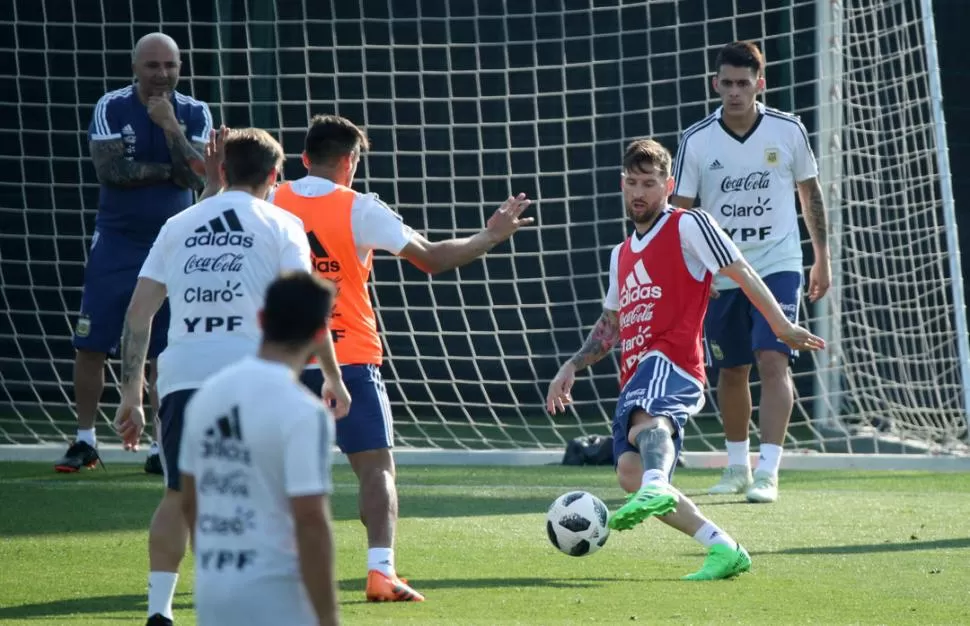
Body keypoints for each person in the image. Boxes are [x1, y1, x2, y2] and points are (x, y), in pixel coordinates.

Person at [270, 114, 533, 602]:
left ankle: (273, 574)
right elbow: (431, 258)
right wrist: (491, 235)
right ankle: (380, 571)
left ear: (304, 159)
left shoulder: (269, 200)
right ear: (350, 161)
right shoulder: (361, 208)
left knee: (275, 473)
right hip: (347, 358)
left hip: (278, 361)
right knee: (376, 471)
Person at [546, 139, 824, 580]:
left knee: (646, 428)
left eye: (650, 184)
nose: (640, 192)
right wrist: (571, 366)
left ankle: (660, 483)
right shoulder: (621, 254)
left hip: (672, 359)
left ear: (668, 186)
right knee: (629, 474)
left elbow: (741, 271)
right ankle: (723, 547)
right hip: (636, 370)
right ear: (622, 185)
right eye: (632, 183)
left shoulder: (689, 224)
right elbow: (609, 326)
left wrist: (781, 326)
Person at [112, 127, 350, 626]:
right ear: (274, 175)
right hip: (255, 377)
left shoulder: (178, 225)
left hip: (184, 377)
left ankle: (160, 609)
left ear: (221, 170)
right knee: (282, 494)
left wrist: (131, 393)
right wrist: (333, 376)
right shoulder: (282, 223)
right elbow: (308, 309)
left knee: (180, 493)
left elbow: (139, 313)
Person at [670, 41, 831, 503]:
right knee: (732, 368)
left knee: (772, 358)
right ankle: (736, 467)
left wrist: (822, 256)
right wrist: (693, 273)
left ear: (760, 84)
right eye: (727, 83)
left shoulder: (788, 130)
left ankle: (768, 472)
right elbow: (680, 215)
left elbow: (810, 195)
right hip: (722, 272)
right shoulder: (696, 140)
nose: (735, 92)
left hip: (778, 264)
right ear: (714, 84)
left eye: (745, 83)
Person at [57, 32, 213, 475]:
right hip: (117, 242)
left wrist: (169, 126)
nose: (162, 74)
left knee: (165, 349)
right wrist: (171, 169)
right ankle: (85, 439)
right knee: (91, 344)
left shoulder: (194, 112)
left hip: (172, 244)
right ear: (135, 67)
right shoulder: (111, 106)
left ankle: (160, 445)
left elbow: (198, 179)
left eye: (169, 66)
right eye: (152, 66)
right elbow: (112, 172)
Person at [179, 271, 341, 626]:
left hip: (213, 591)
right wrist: (328, 618)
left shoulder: (207, 396)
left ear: (261, 319)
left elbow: (189, 502)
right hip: (276, 596)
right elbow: (310, 520)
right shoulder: (304, 412)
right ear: (319, 335)